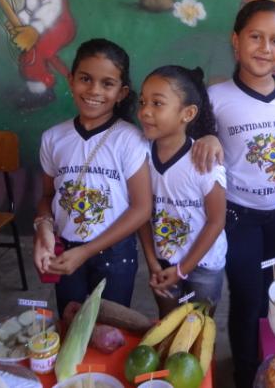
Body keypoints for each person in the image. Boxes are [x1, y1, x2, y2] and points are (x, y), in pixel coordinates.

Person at [192, 0, 275, 388]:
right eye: (255, 37)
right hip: (237, 217)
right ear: (236, 41)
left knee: (269, 295)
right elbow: (198, 141)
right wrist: (206, 132)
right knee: (245, 296)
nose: (265, 48)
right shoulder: (215, 98)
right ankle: (244, 374)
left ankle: (264, 367)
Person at [33, 38, 151, 316]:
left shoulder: (130, 140)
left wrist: (85, 252)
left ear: (121, 92)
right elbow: (48, 197)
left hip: (115, 254)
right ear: (71, 80)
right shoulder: (53, 138)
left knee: (110, 330)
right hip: (65, 251)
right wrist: (44, 230)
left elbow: (142, 208)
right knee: (71, 324)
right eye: (86, 79)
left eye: (107, 83)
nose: (94, 90)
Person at [137, 65, 227, 318]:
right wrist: (152, 261)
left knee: (198, 329)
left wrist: (182, 269)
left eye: (157, 103)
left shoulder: (205, 162)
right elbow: (141, 213)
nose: (145, 111)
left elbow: (216, 220)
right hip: (162, 261)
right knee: (167, 323)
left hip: (203, 267)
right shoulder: (139, 155)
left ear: (187, 113)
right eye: (142, 101)